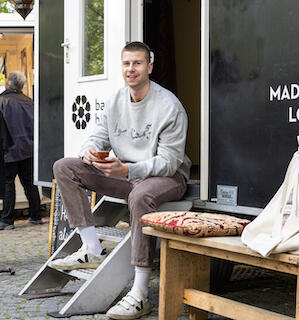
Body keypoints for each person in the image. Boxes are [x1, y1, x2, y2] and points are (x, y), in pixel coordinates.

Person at [51, 41, 191, 320]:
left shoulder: (169, 106)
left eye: (138, 63)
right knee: (65, 167)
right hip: (126, 175)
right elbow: (96, 136)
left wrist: (128, 170)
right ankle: (91, 248)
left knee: (139, 196)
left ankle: (139, 293)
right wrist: (88, 152)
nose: (131, 69)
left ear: (149, 67)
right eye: (127, 63)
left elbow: (169, 163)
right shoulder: (115, 101)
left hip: (167, 177)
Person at [0, 71, 42, 230]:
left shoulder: (2, 101)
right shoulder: (29, 102)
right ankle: (36, 216)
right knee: (30, 183)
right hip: (29, 150)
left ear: (9, 84)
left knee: (8, 184)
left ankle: (7, 220)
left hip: (9, 150)